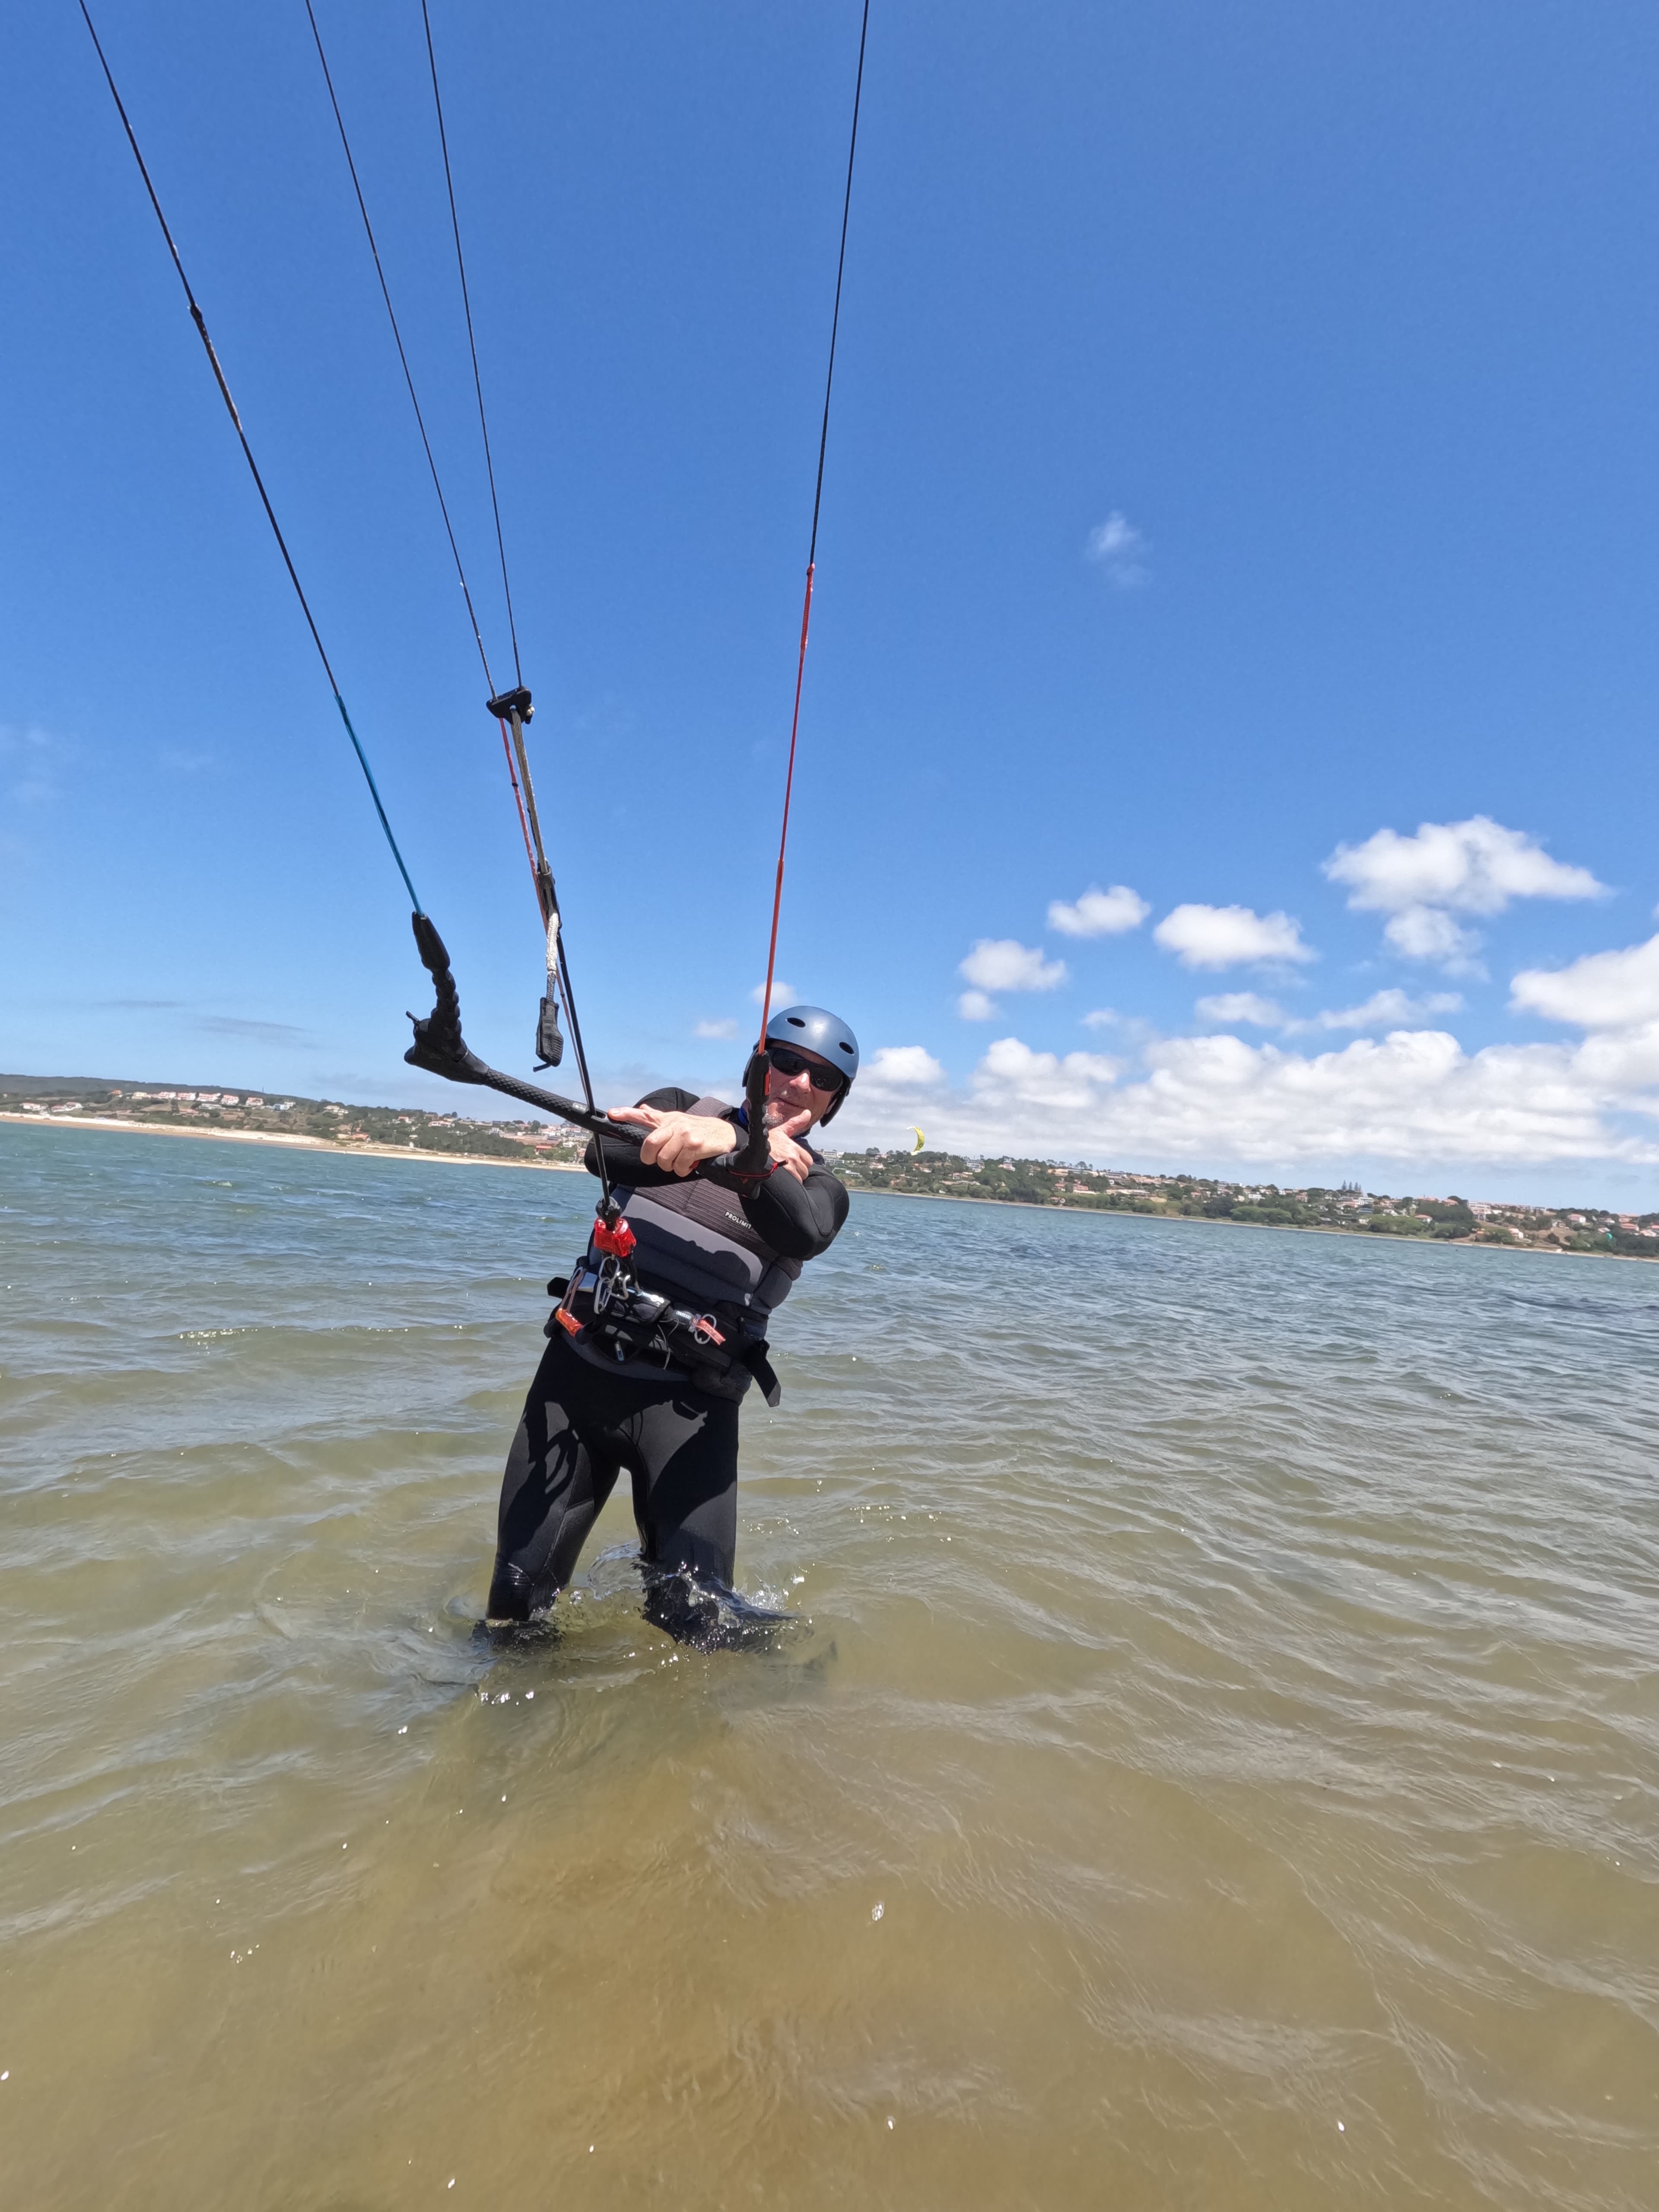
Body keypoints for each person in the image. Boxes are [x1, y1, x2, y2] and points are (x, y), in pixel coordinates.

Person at [485, 1004, 858, 1645]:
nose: (798, 1083)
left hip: (690, 1418)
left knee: (698, 1623)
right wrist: (711, 1135)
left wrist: (747, 1151)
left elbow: (803, 1229)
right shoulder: (677, 1108)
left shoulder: (819, 1188)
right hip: (575, 1383)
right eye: (787, 1063)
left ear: (832, 1104)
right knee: (514, 1607)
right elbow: (600, 1151)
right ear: (758, 1063)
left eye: (820, 1080)